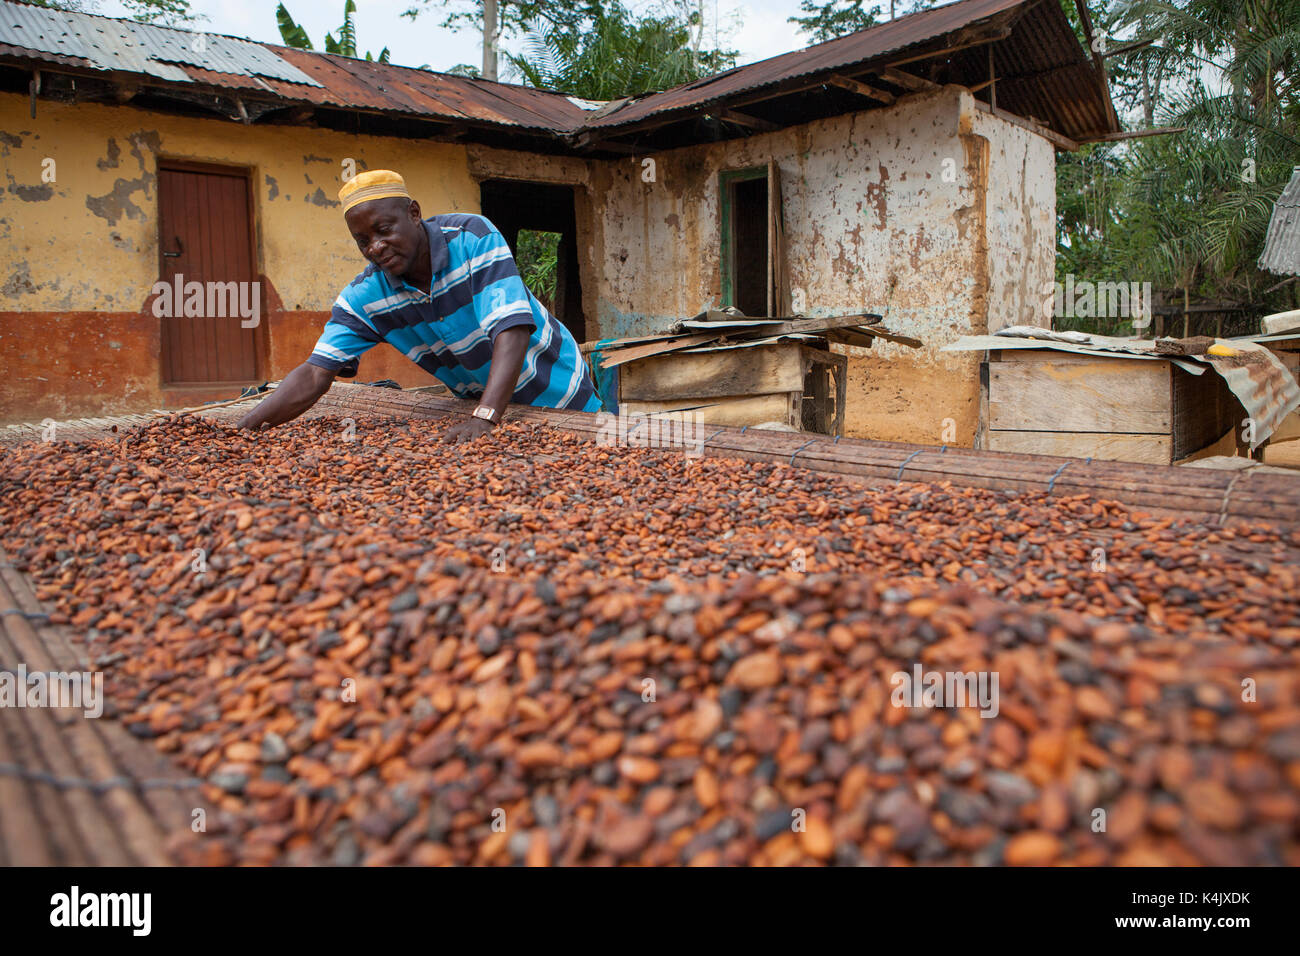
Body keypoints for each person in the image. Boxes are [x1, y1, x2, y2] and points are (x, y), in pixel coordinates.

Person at [235, 169, 600, 442]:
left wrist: (486, 417)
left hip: (564, 399)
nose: (375, 247)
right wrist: (243, 429)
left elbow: (512, 330)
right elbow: (315, 374)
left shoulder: (472, 238)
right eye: (363, 241)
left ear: (413, 213)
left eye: (384, 230)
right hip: (482, 413)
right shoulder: (366, 297)